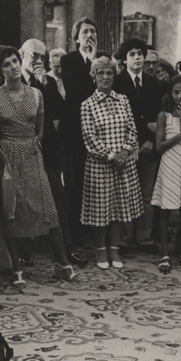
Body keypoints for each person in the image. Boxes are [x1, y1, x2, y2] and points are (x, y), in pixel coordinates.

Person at [0, 46, 76, 287]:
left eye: (15, 61)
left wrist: (34, 143)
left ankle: (62, 263)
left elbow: (40, 126)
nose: (13, 66)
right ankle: (16, 267)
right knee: (13, 212)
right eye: (7, 64)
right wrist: (6, 152)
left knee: (49, 208)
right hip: (8, 157)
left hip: (33, 154)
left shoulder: (36, 93)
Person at [80, 56, 143, 269]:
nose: (105, 77)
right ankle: (100, 250)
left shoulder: (123, 100)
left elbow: (132, 129)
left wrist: (125, 151)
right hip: (101, 165)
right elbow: (89, 137)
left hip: (124, 163)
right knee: (101, 209)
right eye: (100, 73)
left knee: (118, 207)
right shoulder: (87, 105)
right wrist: (111, 156)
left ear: (114, 76)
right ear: (93, 76)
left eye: (109, 73)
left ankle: (114, 248)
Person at [113, 38, 163, 248]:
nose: (137, 58)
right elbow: (122, 118)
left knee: (147, 193)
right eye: (132, 54)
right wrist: (139, 139)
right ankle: (125, 238)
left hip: (150, 148)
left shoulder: (155, 84)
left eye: (140, 54)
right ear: (125, 59)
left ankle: (144, 237)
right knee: (124, 192)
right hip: (126, 146)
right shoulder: (117, 82)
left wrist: (151, 140)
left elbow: (158, 117)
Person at [151, 76, 181, 272]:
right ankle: (164, 253)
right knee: (166, 209)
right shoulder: (164, 115)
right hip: (169, 162)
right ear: (170, 94)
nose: (179, 96)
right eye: (175, 92)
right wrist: (179, 135)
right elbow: (159, 146)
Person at [61, 17, 99, 249]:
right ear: (76, 38)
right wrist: (91, 65)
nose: (89, 36)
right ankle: (74, 236)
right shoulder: (69, 60)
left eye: (93, 31)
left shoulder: (101, 59)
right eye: (85, 32)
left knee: (94, 184)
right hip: (74, 132)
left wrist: (95, 61)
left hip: (97, 131)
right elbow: (77, 92)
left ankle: (93, 234)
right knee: (75, 185)